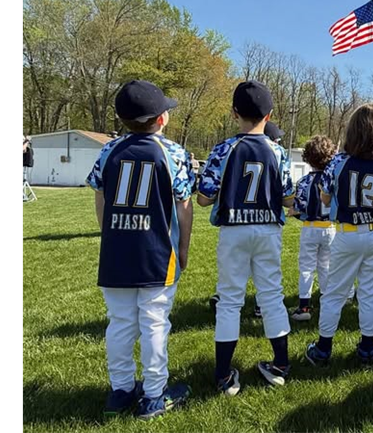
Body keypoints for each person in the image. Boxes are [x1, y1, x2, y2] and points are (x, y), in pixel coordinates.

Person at [86, 80, 194, 419]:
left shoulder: (109, 150)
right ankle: (154, 394)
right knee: (155, 323)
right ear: (160, 119)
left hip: (117, 251)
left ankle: (120, 390)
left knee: (119, 323)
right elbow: (184, 207)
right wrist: (184, 248)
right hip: (157, 253)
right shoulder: (172, 152)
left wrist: (110, 235)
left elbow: (100, 196)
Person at [197, 80, 295, 395]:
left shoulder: (224, 148)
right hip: (268, 228)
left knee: (229, 300)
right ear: (269, 115)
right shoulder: (277, 151)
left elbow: (203, 198)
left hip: (234, 229)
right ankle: (280, 365)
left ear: (234, 113)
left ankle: (224, 376)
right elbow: (289, 198)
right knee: (272, 296)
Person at [305, 104, 373, 366]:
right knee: (370, 293)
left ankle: (323, 349)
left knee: (334, 293)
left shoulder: (339, 162)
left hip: (347, 233)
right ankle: (367, 349)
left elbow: (325, 197)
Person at [289, 135, 338, 321]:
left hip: (310, 227)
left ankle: (304, 306)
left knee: (306, 267)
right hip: (329, 227)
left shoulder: (304, 182)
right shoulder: (332, 180)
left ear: (308, 158)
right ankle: (327, 302)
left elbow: (299, 208)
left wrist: (295, 212)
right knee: (326, 266)